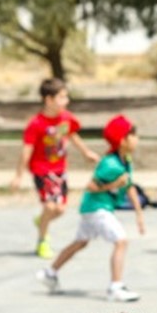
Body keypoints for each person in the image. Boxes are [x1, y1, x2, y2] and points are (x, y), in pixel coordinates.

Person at [36, 115, 146, 302]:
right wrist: (112, 185)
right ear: (123, 140)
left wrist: (139, 213)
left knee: (80, 242)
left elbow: (129, 186)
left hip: (93, 209)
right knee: (121, 241)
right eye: (133, 135)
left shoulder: (125, 161)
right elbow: (91, 186)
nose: (137, 139)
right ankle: (116, 287)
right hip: (97, 209)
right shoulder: (110, 164)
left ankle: (50, 273)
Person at [12, 78, 99, 259]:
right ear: (49, 100)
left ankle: (42, 221)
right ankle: (42, 241)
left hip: (60, 170)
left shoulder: (66, 118)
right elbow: (26, 150)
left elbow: (72, 135)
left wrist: (86, 152)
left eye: (66, 97)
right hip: (42, 170)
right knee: (50, 206)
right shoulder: (36, 124)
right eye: (62, 97)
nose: (66, 101)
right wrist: (18, 175)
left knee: (60, 210)